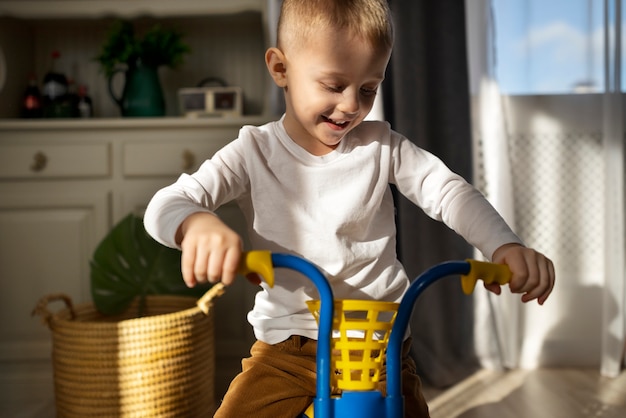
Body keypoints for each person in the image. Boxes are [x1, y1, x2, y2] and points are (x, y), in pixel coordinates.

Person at [144, 0, 555, 416]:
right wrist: (196, 224)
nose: (351, 106)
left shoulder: (381, 144)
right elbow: (167, 203)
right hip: (291, 347)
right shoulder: (252, 151)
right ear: (280, 69)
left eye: (367, 89)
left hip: (383, 345)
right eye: (333, 84)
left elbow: (449, 192)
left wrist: (503, 245)